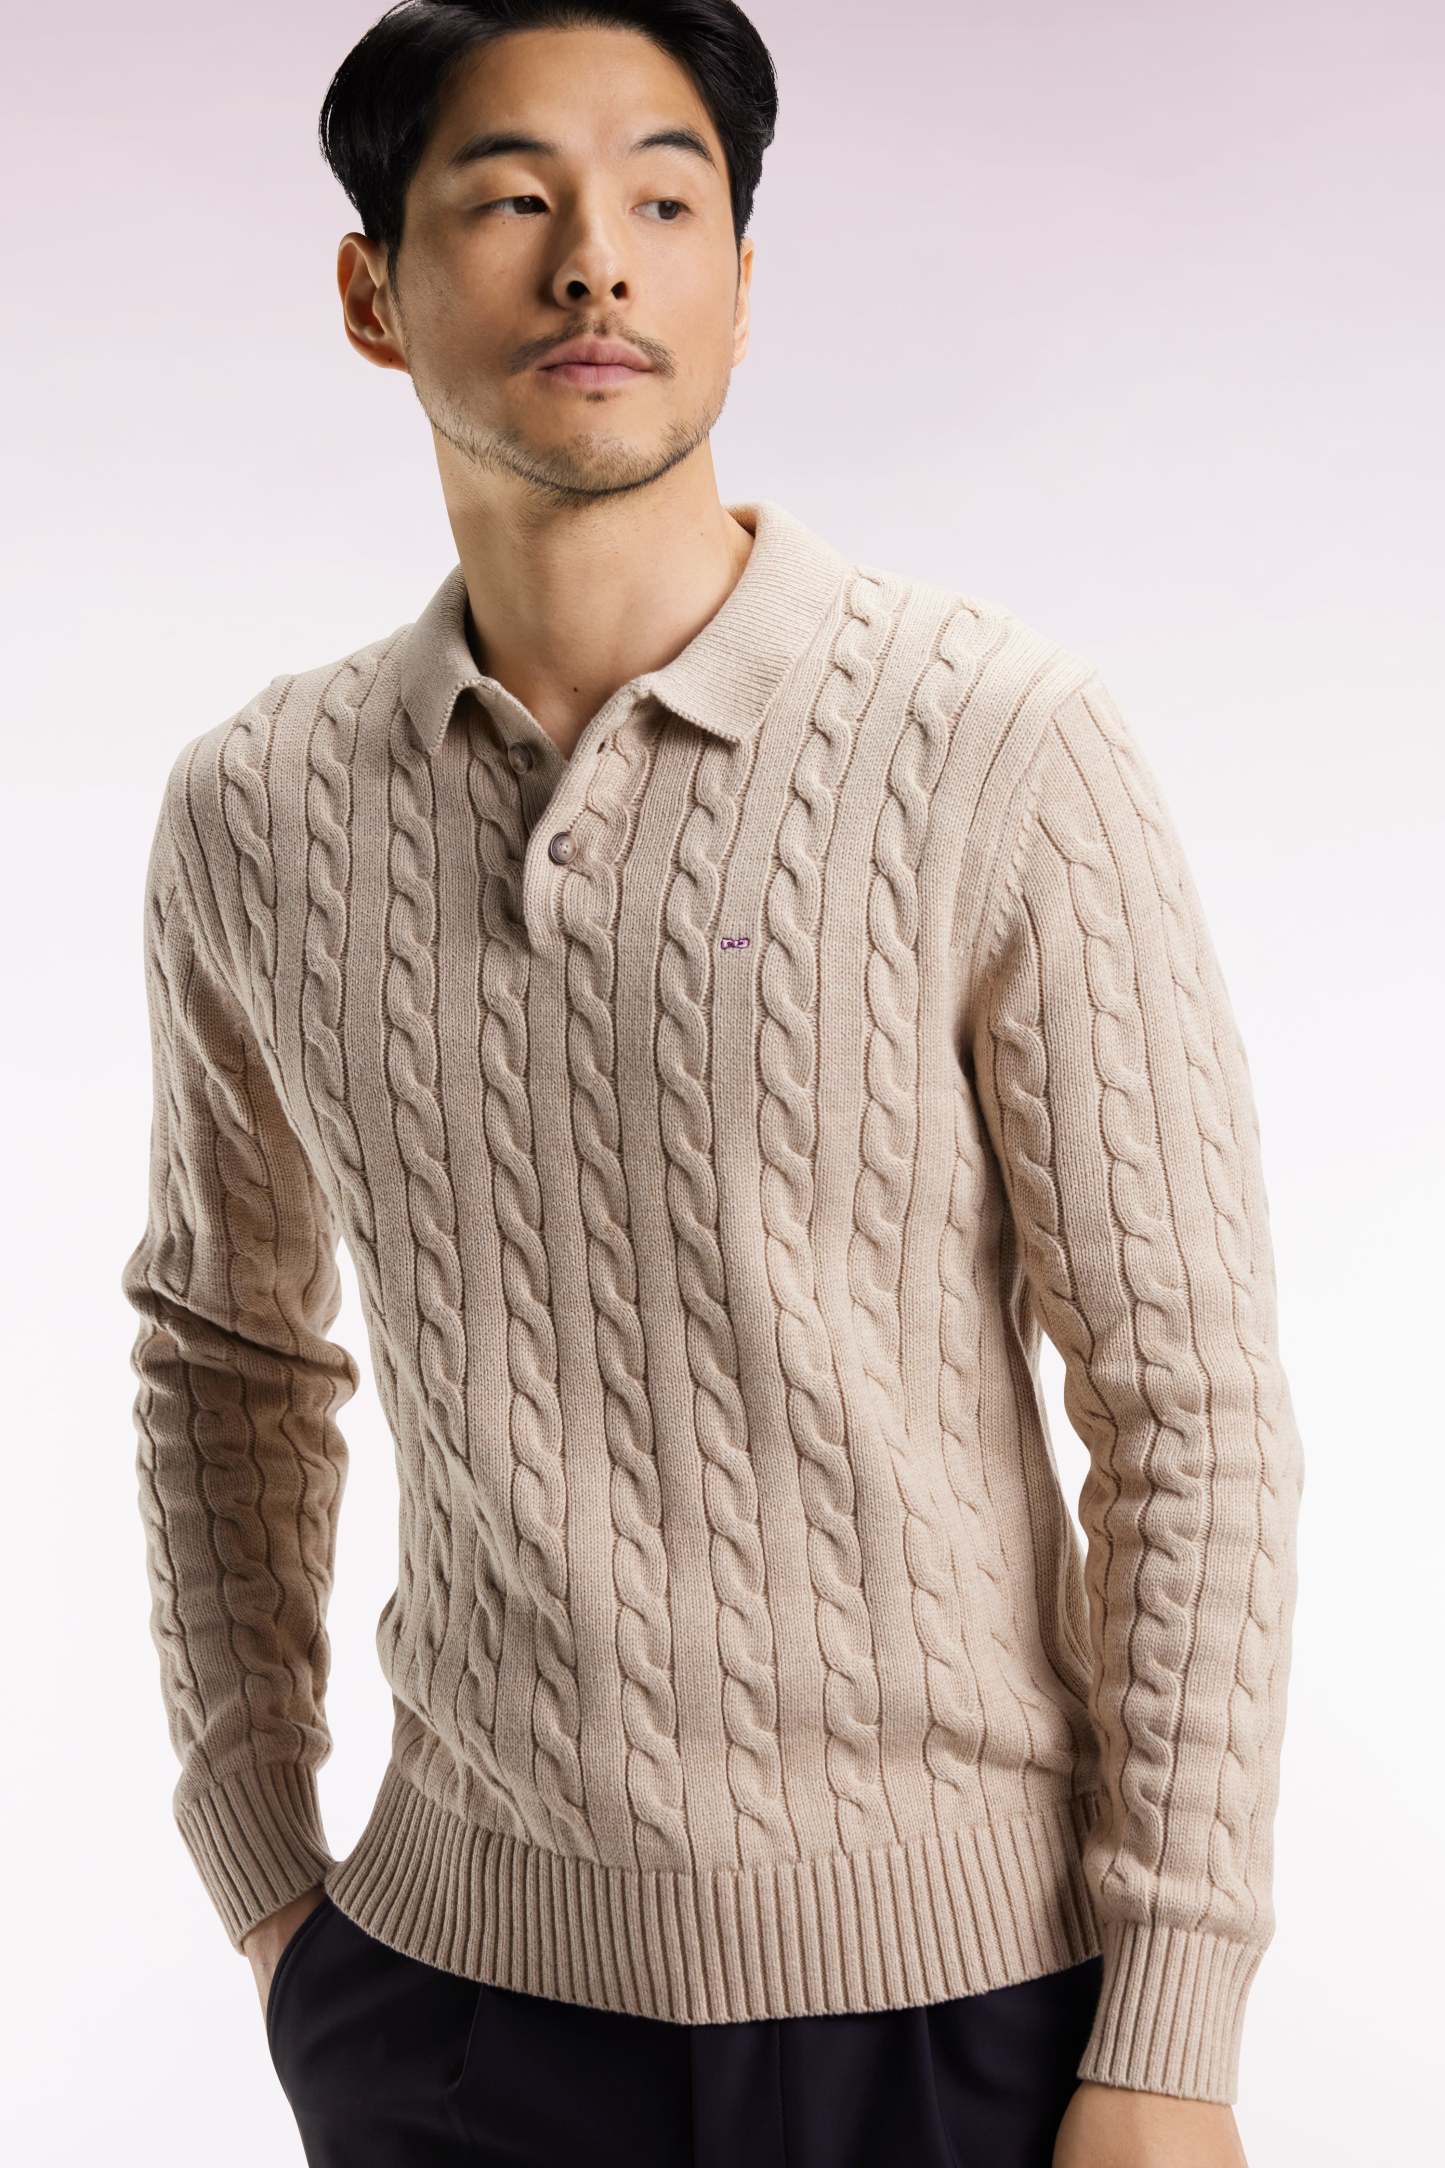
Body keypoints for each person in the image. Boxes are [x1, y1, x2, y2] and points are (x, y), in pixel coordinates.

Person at [120, 4, 1304, 2163]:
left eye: (666, 203)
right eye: (514, 198)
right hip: (448, 2004)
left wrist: (1171, 2029)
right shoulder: (257, 811)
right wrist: (267, 1881)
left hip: (962, 2015)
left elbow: (1187, 1405)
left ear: (742, 287)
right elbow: (223, 1353)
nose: (597, 258)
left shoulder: (996, 744)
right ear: (374, 293)